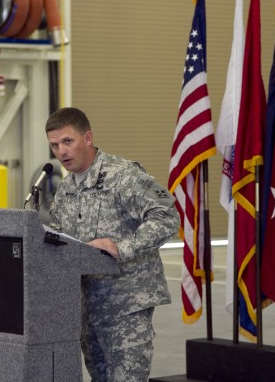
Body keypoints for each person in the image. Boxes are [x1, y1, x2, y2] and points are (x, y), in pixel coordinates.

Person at [45, 107, 179, 381]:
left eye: (67, 141)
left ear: (88, 138)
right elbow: (59, 242)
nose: (61, 151)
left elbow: (168, 216)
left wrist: (123, 246)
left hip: (126, 305)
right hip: (87, 308)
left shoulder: (124, 175)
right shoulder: (66, 189)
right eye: (54, 145)